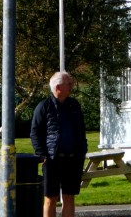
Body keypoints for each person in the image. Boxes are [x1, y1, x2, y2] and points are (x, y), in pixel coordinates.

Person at [29, 71, 87, 217]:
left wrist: (82, 150)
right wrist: (42, 154)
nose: (72, 86)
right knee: (50, 198)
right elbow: (35, 132)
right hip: (52, 160)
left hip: (72, 159)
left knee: (69, 196)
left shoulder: (74, 105)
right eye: (69, 84)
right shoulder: (44, 106)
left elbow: (81, 129)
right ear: (58, 87)